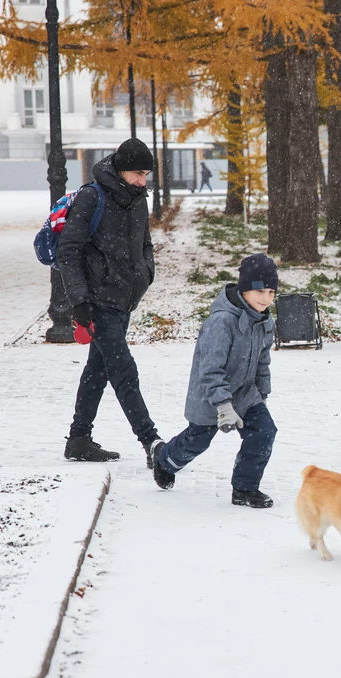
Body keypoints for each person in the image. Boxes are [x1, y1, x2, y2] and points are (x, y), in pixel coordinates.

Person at [56, 138, 160, 463]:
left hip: (124, 300)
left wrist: (145, 274)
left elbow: (145, 245)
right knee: (123, 370)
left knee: (97, 371)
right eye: (139, 173)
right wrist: (79, 301)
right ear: (122, 169)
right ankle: (152, 442)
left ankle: (78, 439)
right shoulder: (92, 197)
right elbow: (68, 251)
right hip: (98, 302)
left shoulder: (138, 199)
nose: (143, 180)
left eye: (147, 174)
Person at [150, 254, 278, 508]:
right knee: (197, 441)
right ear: (244, 289)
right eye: (260, 291)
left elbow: (263, 361)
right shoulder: (221, 322)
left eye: (272, 291)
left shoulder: (264, 321)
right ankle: (163, 459)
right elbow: (209, 370)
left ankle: (244, 488)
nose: (266, 298)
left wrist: (262, 393)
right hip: (209, 396)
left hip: (245, 392)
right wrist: (223, 406)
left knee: (263, 432)